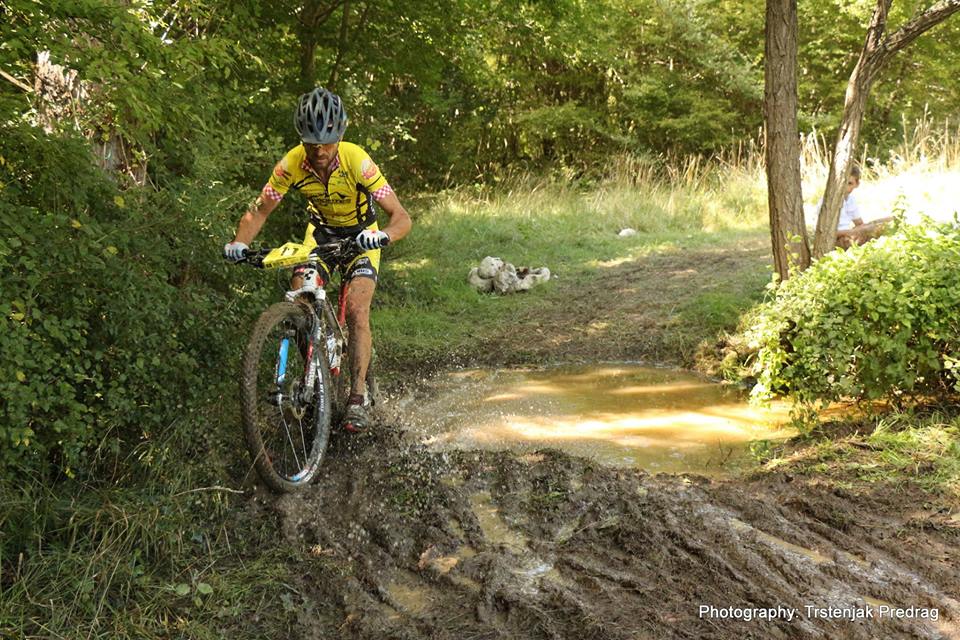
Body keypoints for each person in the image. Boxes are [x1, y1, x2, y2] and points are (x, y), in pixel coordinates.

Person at [224, 87, 412, 432]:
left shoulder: (359, 161)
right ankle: (316, 374)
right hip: (321, 236)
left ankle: (356, 398)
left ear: (339, 135)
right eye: (311, 144)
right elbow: (259, 210)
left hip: (361, 237)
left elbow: (401, 216)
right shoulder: (291, 163)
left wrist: (384, 234)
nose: (319, 151)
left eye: (326, 143)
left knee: (356, 308)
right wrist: (239, 242)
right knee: (300, 294)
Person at [829, 165, 892, 249]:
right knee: (875, 229)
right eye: (843, 183)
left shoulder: (850, 199)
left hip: (849, 233)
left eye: (850, 183)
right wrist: (852, 231)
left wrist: (863, 229)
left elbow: (859, 223)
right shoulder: (829, 202)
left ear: (857, 184)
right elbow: (827, 233)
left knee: (888, 220)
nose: (845, 187)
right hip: (837, 240)